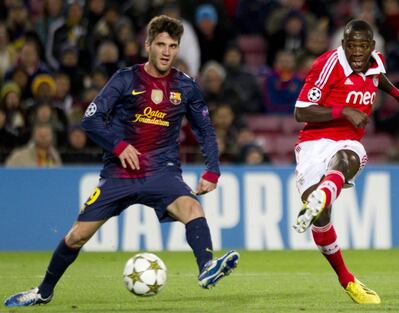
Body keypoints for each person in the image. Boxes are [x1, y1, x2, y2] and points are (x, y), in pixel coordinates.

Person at [4, 15, 239, 307]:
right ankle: (44, 291)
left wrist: (213, 170)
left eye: (173, 45)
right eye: (161, 44)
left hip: (161, 171)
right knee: (77, 236)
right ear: (148, 45)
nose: (167, 51)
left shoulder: (186, 86)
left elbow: (205, 128)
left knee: (192, 207)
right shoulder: (126, 79)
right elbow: (90, 120)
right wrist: (118, 145)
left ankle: (206, 268)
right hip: (119, 174)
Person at [292, 19, 399, 304]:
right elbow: (300, 111)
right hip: (313, 145)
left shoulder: (375, 61)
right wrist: (344, 111)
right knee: (321, 218)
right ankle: (346, 279)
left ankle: (323, 193)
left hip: (347, 143)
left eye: (363, 45)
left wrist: (398, 95)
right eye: (351, 45)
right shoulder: (327, 65)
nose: (357, 51)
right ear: (343, 45)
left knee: (348, 157)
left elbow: (377, 76)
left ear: (372, 47)